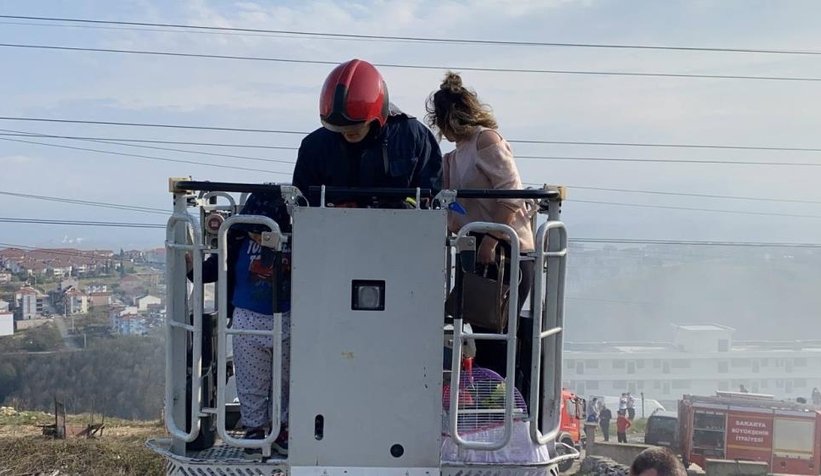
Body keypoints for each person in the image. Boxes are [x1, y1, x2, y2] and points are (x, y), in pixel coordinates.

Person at [426, 71, 535, 396]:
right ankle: (488, 403)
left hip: (504, 254)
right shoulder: (455, 156)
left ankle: (505, 407)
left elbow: (510, 191)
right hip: (473, 252)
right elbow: (455, 204)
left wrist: (492, 237)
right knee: (478, 333)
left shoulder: (486, 140)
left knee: (498, 335)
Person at [190, 191, 292, 455]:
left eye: (264, 232)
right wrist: (193, 268)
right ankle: (255, 428)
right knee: (250, 380)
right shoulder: (236, 241)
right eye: (254, 231)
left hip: (288, 319)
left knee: (287, 380)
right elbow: (216, 268)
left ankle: (284, 428)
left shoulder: (294, 242)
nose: (258, 237)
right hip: (247, 317)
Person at [292, 58, 442, 207]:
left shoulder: (413, 138)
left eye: (356, 126)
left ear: (378, 116)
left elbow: (432, 198)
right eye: (340, 127)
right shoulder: (314, 147)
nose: (348, 132)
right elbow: (301, 204)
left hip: (402, 229)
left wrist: (404, 206)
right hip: (332, 229)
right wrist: (333, 208)